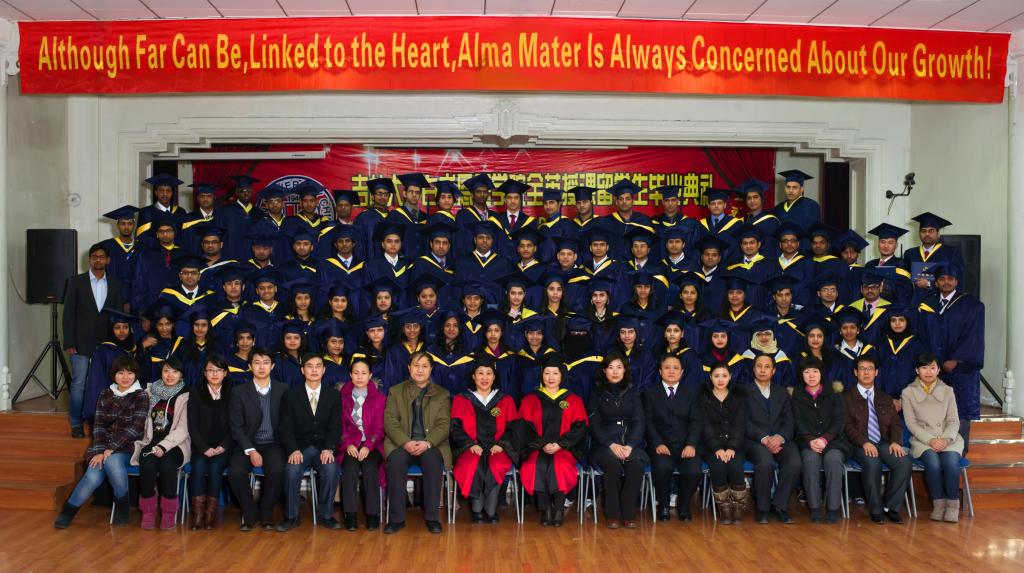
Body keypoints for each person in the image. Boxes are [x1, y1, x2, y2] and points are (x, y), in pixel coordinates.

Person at [54, 356, 149, 529]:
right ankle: (68, 511)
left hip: (128, 446)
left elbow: (136, 428)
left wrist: (110, 449)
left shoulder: (141, 395)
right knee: (92, 476)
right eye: (120, 373)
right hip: (103, 446)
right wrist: (99, 451)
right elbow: (98, 426)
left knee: (112, 462)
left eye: (129, 373)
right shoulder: (105, 394)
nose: (125, 377)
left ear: (135, 375)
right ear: (114, 375)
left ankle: (122, 506)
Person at [383, 351, 452, 534]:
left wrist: (427, 443)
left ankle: (432, 518)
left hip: (431, 445)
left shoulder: (442, 394)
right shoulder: (395, 391)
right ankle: (396, 519)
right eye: (416, 365)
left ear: (431, 369)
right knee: (396, 462)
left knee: (432, 462)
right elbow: (390, 422)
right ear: (409, 368)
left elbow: (444, 425)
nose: (420, 370)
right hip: (401, 444)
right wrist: (405, 442)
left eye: (424, 366)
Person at [917, 263, 984, 449]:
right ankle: (935, 451)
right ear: (936, 282)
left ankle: (958, 451)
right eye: (942, 279)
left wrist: (956, 359)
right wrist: (932, 362)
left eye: (950, 279)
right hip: (933, 369)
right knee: (933, 410)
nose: (946, 282)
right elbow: (922, 335)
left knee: (960, 410)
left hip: (961, 368)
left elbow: (974, 336)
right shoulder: (927, 305)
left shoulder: (972, 305)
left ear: (956, 281)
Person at [62, 243, 126, 437]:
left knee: (105, 383)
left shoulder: (115, 284)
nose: (98, 260)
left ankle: (101, 422)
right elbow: (68, 314)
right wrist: (69, 342)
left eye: (102, 257)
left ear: (108, 260)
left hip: (107, 343)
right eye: (94, 256)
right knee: (79, 384)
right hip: (80, 343)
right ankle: (76, 423)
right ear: (89, 259)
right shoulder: (76, 282)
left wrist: (118, 344)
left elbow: (118, 316)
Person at [277, 353, 344, 531]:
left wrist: (329, 448)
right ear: (302, 370)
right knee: (291, 471)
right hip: (299, 448)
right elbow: (285, 428)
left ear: (324, 370)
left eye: (318, 366)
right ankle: (291, 517)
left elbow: (336, 427)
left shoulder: (333, 395)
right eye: (309, 366)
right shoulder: (290, 395)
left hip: (324, 447)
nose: (314, 370)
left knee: (331, 470)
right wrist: (293, 449)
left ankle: (326, 515)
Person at [519, 357, 588, 527]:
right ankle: (546, 509)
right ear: (541, 375)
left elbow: (580, 427)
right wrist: (542, 444)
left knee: (561, 466)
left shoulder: (573, 399)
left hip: (565, 447)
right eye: (547, 373)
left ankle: (558, 509)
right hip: (537, 447)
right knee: (536, 465)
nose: (551, 377)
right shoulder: (531, 399)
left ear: (561, 376)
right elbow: (523, 427)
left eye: (555, 373)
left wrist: (560, 444)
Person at [450, 358, 519, 524]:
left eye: (489, 373)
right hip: (470, 447)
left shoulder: (505, 400)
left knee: (497, 464)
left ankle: (491, 509)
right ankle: (477, 510)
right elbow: (454, 428)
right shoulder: (462, 399)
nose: (484, 377)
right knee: (471, 464)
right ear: (473, 376)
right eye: (480, 373)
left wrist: (501, 444)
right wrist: (470, 444)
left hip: (498, 448)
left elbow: (514, 428)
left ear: (494, 377)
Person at [843, 355, 910, 524]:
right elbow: (846, 426)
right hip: (858, 444)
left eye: (870, 369)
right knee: (873, 463)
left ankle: (891, 507)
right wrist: (864, 442)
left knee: (903, 463)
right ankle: (876, 509)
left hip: (883, 442)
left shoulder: (885, 397)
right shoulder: (846, 397)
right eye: (862, 369)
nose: (866, 372)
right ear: (855, 372)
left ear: (876, 372)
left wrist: (895, 442)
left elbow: (895, 423)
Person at [228, 347, 288, 531]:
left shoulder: (283, 389)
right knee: (235, 472)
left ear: (272, 366)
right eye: (257, 363)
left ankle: (266, 512)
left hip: (273, 443)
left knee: (278, 469)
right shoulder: (239, 392)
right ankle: (249, 511)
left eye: (266, 363)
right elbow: (236, 426)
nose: (261, 367)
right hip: (247, 443)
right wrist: (251, 450)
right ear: (249, 366)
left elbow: (287, 423)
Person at [902, 353, 966, 523]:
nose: (928, 372)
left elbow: (954, 420)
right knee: (932, 463)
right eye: (924, 368)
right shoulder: (908, 392)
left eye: (932, 368)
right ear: (917, 370)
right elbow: (911, 423)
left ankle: (952, 505)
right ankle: (938, 504)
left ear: (938, 370)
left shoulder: (948, 391)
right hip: (923, 439)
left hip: (948, 438)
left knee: (951, 462)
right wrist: (931, 440)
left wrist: (945, 440)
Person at [588, 353, 648, 529]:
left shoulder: (633, 392)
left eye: (619, 367)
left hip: (631, 443)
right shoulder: (596, 393)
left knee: (636, 465)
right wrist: (611, 444)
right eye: (611, 368)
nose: (615, 372)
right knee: (612, 466)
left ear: (625, 370)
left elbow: (639, 421)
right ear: (604, 370)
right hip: (605, 444)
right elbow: (595, 423)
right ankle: (612, 514)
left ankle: (628, 514)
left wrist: (630, 445)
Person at [132, 357, 190, 530]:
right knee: (147, 465)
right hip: (151, 441)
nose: (170, 375)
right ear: (161, 373)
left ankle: (169, 512)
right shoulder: (150, 392)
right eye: (166, 371)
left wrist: (164, 446)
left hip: (175, 444)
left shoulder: (187, 395)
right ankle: (148, 511)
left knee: (167, 466)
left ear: (181, 374)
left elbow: (183, 429)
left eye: (175, 371)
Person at [643, 354, 703, 521]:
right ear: (660, 371)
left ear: (682, 372)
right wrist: (657, 443)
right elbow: (648, 422)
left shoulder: (692, 394)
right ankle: (663, 505)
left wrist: (691, 444)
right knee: (662, 468)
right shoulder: (649, 393)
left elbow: (697, 422)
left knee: (694, 470)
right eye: (667, 368)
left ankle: (683, 505)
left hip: (686, 445)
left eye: (675, 368)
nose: (671, 371)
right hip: (661, 445)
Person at [791, 356, 850, 523]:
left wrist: (824, 439)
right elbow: (797, 422)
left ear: (821, 373)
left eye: (815, 371)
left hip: (833, 441)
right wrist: (810, 439)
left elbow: (840, 420)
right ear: (801, 375)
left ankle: (832, 508)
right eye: (807, 372)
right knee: (810, 461)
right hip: (807, 441)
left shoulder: (834, 393)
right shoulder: (796, 395)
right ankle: (815, 508)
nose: (811, 375)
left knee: (833, 460)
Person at [744, 353, 801, 524]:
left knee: (794, 462)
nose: (763, 370)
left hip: (780, 439)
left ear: (774, 371)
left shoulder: (782, 392)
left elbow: (790, 420)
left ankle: (779, 506)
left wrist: (780, 437)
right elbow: (743, 422)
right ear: (753, 369)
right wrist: (764, 438)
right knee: (766, 462)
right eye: (759, 366)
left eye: (767, 366)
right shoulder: (743, 392)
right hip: (754, 441)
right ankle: (763, 508)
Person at [186, 355, 234, 530]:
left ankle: (210, 514)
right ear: (204, 373)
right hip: (202, 446)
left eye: (219, 370)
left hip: (224, 446)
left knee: (214, 468)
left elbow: (236, 425)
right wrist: (204, 447)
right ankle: (198, 515)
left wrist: (223, 446)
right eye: (210, 370)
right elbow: (192, 424)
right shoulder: (196, 392)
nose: (214, 374)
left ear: (225, 373)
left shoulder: (233, 393)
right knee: (198, 468)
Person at [339, 357, 386, 531]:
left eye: (364, 373)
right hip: (350, 445)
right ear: (350, 375)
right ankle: (350, 514)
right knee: (349, 468)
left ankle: (372, 514)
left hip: (372, 445)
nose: (359, 377)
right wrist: (348, 444)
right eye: (356, 373)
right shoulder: (341, 398)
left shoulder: (380, 399)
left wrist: (368, 446)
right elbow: (339, 425)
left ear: (370, 375)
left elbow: (379, 427)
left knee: (369, 468)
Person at [700, 361, 748, 525]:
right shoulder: (703, 398)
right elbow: (705, 426)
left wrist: (732, 447)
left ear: (730, 377)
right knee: (718, 466)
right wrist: (717, 448)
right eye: (716, 376)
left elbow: (740, 425)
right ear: (710, 377)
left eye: (724, 376)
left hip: (735, 445)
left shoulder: (739, 397)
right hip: (711, 446)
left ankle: (738, 507)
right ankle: (724, 507)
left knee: (735, 466)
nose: (720, 380)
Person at [82, 310, 139, 425]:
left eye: (125, 327)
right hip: (109, 405)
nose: (122, 331)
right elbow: (96, 383)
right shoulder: (103, 352)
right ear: (111, 329)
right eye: (117, 328)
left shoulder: (130, 350)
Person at [96, 205, 139, 305]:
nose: (126, 227)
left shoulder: (141, 247)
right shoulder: (105, 247)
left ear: (134, 225)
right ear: (117, 225)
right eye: (123, 223)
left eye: (130, 223)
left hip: (136, 299)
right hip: (112, 298)